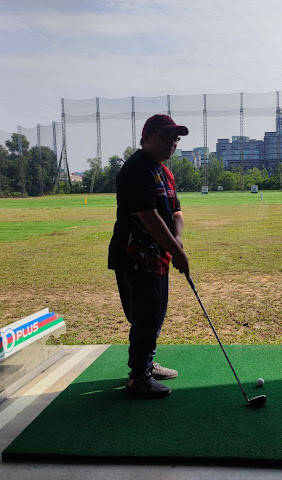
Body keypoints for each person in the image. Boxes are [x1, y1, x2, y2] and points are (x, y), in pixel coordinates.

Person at [108, 114, 190, 398]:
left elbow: (175, 210)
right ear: (147, 136)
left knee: (156, 313)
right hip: (133, 255)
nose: (172, 143)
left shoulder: (164, 172)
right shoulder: (136, 169)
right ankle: (138, 377)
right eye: (167, 137)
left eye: (175, 138)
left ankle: (145, 363)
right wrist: (176, 250)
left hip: (158, 256)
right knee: (145, 314)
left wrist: (176, 240)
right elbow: (149, 217)